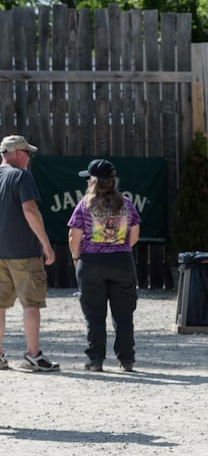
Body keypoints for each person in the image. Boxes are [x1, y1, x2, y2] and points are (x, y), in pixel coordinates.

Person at [66, 159, 140, 372]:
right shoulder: (126, 203)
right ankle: (127, 359)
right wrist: (118, 246)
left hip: (91, 263)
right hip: (122, 261)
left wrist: (76, 257)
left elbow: (74, 235)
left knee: (94, 315)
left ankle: (95, 359)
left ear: (93, 181)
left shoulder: (84, 205)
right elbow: (134, 235)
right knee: (124, 316)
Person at [0, 134, 60, 372]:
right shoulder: (21, 176)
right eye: (26, 153)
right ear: (17, 154)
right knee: (31, 305)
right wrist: (45, 244)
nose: (28, 158)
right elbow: (30, 210)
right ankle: (33, 356)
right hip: (23, 252)